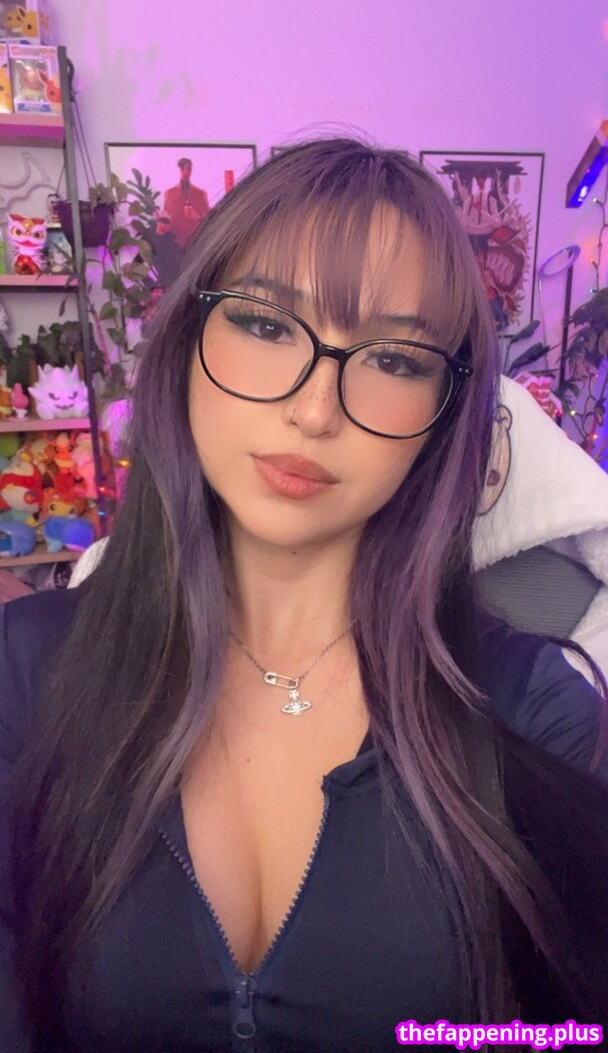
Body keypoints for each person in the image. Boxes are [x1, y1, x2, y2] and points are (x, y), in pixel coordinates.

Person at [1, 138, 608, 1053]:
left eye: (394, 360)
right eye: (266, 324)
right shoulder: (25, 672)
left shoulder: (534, 714)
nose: (316, 410)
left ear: (444, 416)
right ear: (186, 340)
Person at [162, 156, 211, 249]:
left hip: (196, 242)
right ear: (181, 169)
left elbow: (208, 218)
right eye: (188, 168)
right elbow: (166, 219)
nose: (190, 171)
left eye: (191, 169)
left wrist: (196, 216)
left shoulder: (201, 194)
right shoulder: (169, 194)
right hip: (175, 242)